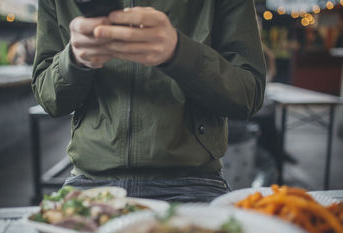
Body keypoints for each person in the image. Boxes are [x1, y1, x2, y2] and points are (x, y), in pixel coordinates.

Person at [32, 0, 266, 202]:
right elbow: (49, 98)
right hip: (90, 181)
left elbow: (249, 94)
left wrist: (179, 52)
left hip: (192, 183)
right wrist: (74, 60)